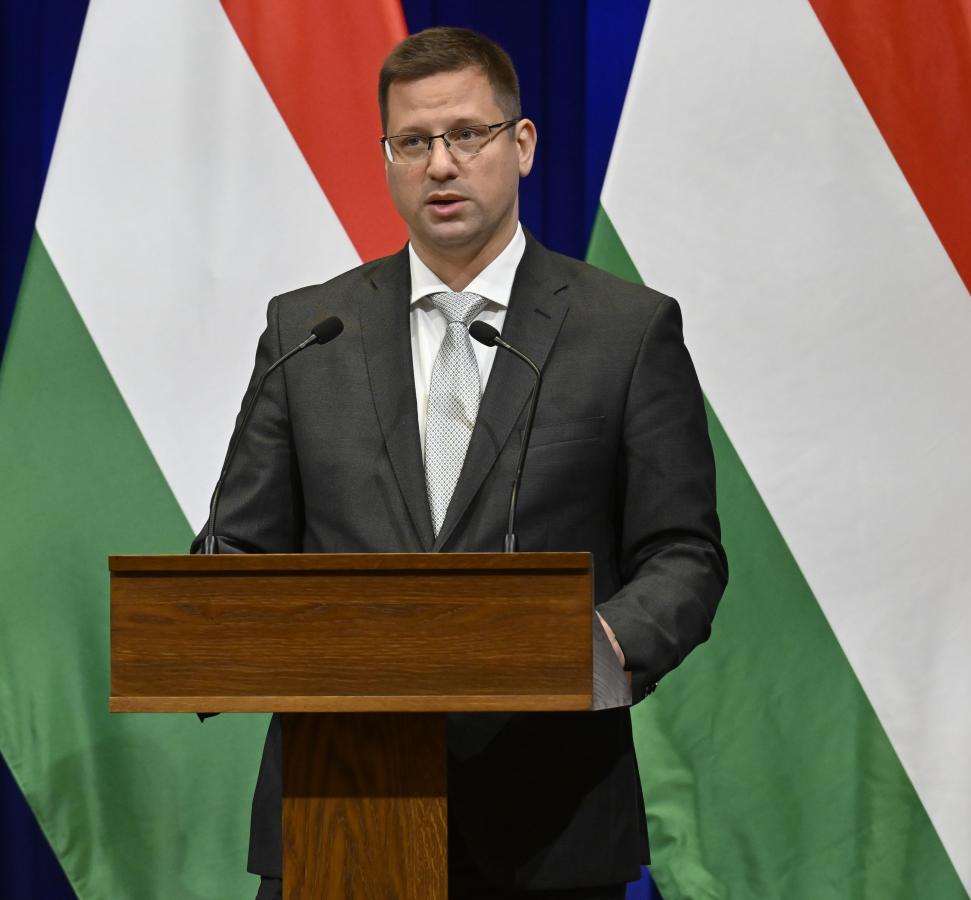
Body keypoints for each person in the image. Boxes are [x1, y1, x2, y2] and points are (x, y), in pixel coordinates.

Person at [197, 26, 727, 900]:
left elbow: (684, 551)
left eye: (467, 135)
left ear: (522, 145)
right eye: (413, 142)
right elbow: (240, 544)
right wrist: (207, 612)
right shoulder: (310, 331)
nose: (441, 164)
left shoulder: (625, 331)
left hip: (548, 819)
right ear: (387, 159)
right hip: (341, 812)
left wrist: (599, 645)